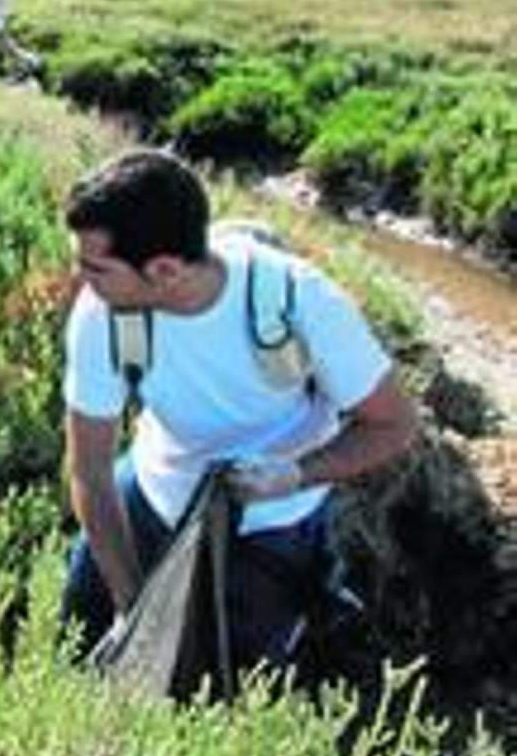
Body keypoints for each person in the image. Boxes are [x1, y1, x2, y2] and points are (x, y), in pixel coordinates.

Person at [60, 149, 419, 678]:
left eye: (95, 267)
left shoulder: (299, 304)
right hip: (150, 490)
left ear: (163, 270)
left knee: (221, 685)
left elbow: (395, 424)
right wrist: (131, 607)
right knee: (80, 643)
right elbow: (89, 471)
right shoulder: (104, 315)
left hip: (271, 522)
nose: (79, 278)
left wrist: (297, 474)